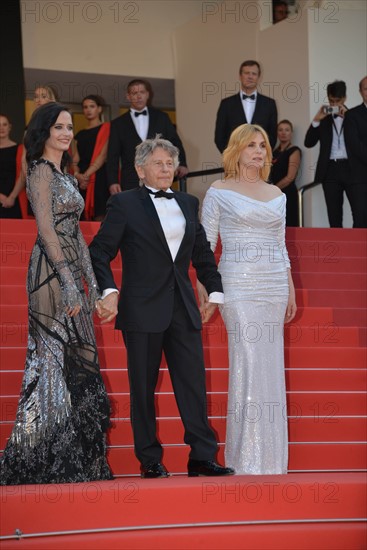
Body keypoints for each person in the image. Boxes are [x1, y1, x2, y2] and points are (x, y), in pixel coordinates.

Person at [89, 135, 234, 479]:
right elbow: (99, 251)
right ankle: (149, 459)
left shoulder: (187, 202)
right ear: (140, 169)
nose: (166, 169)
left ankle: (201, 456)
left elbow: (201, 253)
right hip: (141, 310)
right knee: (142, 388)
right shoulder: (124, 204)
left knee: (193, 386)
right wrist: (109, 290)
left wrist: (215, 293)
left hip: (183, 307)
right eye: (158, 163)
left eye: (170, 163)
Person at [0, 102, 112, 485]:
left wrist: (93, 287)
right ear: (45, 131)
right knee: (50, 360)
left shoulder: (65, 174)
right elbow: (47, 231)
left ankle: (77, 456)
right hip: (48, 274)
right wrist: (67, 281)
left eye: (69, 127)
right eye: (59, 127)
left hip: (67, 272)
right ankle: (46, 459)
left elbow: (76, 235)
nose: (66, 133)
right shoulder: (39, 172)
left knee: (80, 359)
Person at [200, 123, 296, 475]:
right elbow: (206, 245)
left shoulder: (278, 195)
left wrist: (289, 288)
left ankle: (271, 460)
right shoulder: (218, 191)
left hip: (272, 285)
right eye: (251, 145)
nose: (258, 151)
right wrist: (208, 288)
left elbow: (281, 246)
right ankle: (245, 460)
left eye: (263, 145)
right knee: (248, 362)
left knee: (270, 368)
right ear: (236, 149)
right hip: (237, 284)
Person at [107, 79, 188, 194]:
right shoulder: (117, 124)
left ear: (148, 95)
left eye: (142, 92)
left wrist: (182, 163)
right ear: (128, 97)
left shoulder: (162, 117)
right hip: (130, 178)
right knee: (133, 210)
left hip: (159, 175)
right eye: (134, 93)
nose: (139, 96)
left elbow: (175, 142)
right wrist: (113, 181)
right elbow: (112, 155)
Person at [304, 80, 359, 228]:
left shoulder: (354, 116)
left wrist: (350, 118)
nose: (334, 105)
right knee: (334, 216)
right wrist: (316, 120)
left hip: (352, 169)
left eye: (337, 101)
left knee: (360, 214)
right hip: (330, 171)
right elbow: (308, 142)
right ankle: (338, 249)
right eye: (331, 101)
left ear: (345, 98)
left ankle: (358, 248)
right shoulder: (324, 118)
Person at [1, 85, 60, 215]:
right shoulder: (30, 126)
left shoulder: (58, 122)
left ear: (52, 100)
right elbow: (25, 157)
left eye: (43, 96)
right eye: (36, 97)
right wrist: (30, 179)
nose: (38, 100)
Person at [215, 60, 278, 153]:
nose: (250, 77)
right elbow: (219, 137)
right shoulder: (226, 104)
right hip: (233, 162)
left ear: (258, 77)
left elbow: (272, 136)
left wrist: (261, 155)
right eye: (247, 73)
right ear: (240, 76)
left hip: (260, 161)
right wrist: (231, 157)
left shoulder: (269, 104)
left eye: (254, 74)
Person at [73, 95, 110, 221]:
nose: (88, 110)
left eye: (92, 106)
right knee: (81, 218)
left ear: (99, 109)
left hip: (99, 177)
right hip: (80, 179)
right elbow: (75, 158)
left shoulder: (107, 129)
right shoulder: (79, 134)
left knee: (100, 216)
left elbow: (102, 156)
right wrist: (78, 175)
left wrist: (86, 176)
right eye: (85, 107)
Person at [344, 76, 367, 228]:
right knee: (361, 220)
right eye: (366, 88)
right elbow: (354, 145)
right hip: (361, 177)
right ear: (360, 92)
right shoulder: (352, 115)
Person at [270, 119, 301, 226]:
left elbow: (290, 177)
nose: (283, 133)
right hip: (274, 195)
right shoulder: (274, 152)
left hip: (288, 194)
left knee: (289, 225)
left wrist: (273, 190)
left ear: (291, 133)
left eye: (287, 130)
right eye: (280, 130)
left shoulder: (295, 150)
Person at [0, 114, 22, 218]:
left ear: (10, 127)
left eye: (4, 124)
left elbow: (23, 174)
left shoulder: (20, 149)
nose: (1, 128)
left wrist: (12, 197)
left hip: (14, 199)